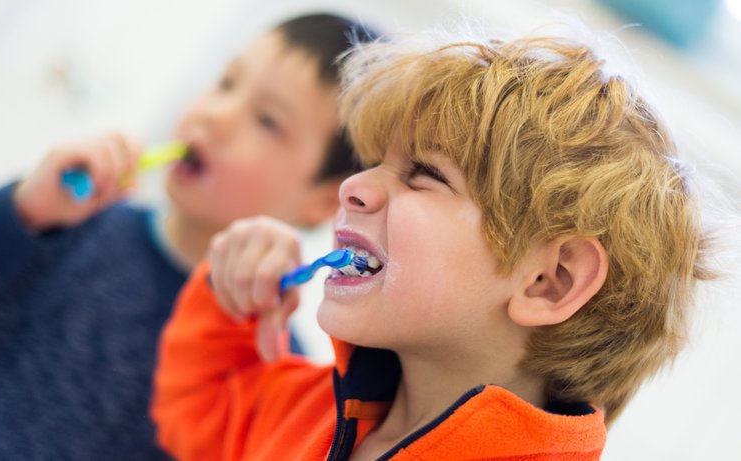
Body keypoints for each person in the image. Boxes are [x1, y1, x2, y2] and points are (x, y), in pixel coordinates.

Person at [151, 30, 716, 460]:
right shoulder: (304, 408)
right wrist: (229, 302)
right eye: (376, 162)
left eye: (422, 172)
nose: (354, 187)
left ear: (551, 281)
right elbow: (194, 411)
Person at [0, 13, 379, 461]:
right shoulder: (67, 225)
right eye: (226, 82)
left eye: (267, 121)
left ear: (324, 200)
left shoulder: (266, 362)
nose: (216, 115)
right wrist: (17, 215)